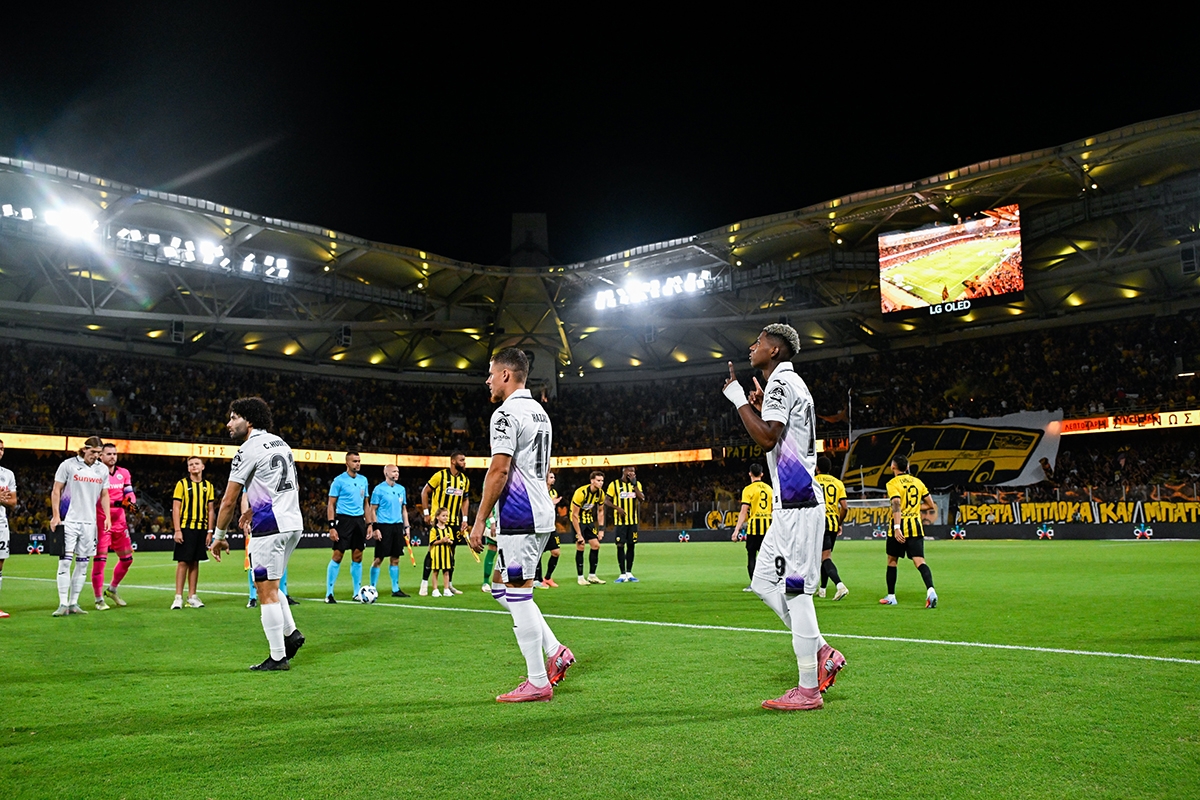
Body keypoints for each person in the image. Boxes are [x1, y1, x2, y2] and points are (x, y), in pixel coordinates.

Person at [722, 324, 845, 711]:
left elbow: (767, 437)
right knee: (762, 582)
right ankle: (821, 649)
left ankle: (808, 689)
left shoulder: (779, 383)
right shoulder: (791, 383)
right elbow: (781, 432)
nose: (752, 347)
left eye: (758, 342)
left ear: (774, 350)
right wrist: (760, 407)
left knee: (795, 592)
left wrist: (738, 399)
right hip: (789, 505)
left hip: (798, 503)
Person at [469, 347, 573, 702]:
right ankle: (555, 649)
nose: (488, 380)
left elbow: (499, 471)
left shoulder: (505, 414)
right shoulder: (540, 413)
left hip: (520, 516)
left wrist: (479, 520)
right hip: (536, 511)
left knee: (517, 593)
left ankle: (538, 681)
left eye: (491, 373)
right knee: (501, 588)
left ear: (506, 375)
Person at [210, 397, 305, 671]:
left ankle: (278, 657)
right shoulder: (280, 443)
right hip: (292, 523)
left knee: (265, 592)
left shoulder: (247, 449)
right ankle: (291, 634)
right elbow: (287, 486)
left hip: (270, 528)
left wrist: (219, 536)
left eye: (234, 418)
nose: (229, 424)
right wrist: (254, 508)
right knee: (272, 586)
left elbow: (228, 500)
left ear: (249, 420)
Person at [50, 436, 111, 616]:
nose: (96, 456)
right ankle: (62, 603)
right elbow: (56, 490)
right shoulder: (68, 465)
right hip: (69, 520)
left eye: (98, 453)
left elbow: (105, 494)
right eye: (93, 452)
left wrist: (107, 517)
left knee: (83, 564)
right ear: (84, 449)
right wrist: (56, 515)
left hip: (89, 522)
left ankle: (73, 603)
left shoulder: (102, 469)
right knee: (65, 562)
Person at [880, 455, 938, 608]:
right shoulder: (918, 482)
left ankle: (891, 596)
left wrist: (897, 527)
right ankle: (931, 590)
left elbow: (896, 504)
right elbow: (930, 505)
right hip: (915, 527)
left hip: (899, 527)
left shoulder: (893, 483)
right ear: (907, 467)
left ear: (893, 467)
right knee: (920, 561)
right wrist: (914, 508)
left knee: (892, 561)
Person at [92, 443, 137, 610]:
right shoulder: (95, 473)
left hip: (120, 522)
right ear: (101, 456)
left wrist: (131, 502)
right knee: (100, 562)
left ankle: (112, 589)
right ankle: (98, 599)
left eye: (115, 454)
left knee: (127, 560)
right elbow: (97, 498)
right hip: (102, 523)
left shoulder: (123, 473)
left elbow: (129, 492)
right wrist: (119, 502)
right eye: (109, 454)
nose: (112, 457)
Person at [419, 452, 470, 596]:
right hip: (438, 521)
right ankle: (424, 583)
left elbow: (465, 500)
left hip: (454, 522)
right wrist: (426, 513)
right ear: (453, 461)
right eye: (461, 460)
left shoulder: (464, 480)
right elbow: (425, 492)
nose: (464, 462)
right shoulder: (440, 476)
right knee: (432, 551)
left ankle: (449, 585)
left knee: (451, 553)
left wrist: (465, 519)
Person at [325, 452, 373, 603]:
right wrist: (332, 526)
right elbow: (331, 504)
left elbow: (366, 504)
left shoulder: (363, 480)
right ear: (347, 463)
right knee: (338, 555)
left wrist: (369, 524)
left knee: (358, 556)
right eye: (354, 461)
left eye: (359, 461)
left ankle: (357, 593)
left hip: (359, 521)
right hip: (343, 520)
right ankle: (329, 593)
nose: (357, 464)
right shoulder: (339, 481)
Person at [171, 456, 216, 609]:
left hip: (201, 528)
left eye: (196, 463)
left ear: (203, 467)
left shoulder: (208, 486)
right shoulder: (182, 484)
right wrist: (177, 530)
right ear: (188, 468)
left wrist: (210, 531)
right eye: (191, 464)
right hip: (185, 527)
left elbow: (210, 510)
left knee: (195, 561)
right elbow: (176, 507)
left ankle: (192, 596)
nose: (194, 466)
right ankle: (178, 597)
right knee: (183, 561)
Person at [242, 494, 296, 608]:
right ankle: (253, 597)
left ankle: (282, 593)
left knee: (266, 561)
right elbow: (245, 498)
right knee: (257, 563)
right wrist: (246, 521)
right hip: (263, 524)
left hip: (273, 523)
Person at [368, 464, 411, 597]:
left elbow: (404, 510)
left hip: (397, 526)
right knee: (379, 558)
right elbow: (372, 510)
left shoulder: (401, 489)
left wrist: (407, 527)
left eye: (397, 471)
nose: (396, 473)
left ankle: (395, 589)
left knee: (395, 559)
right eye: (393, 471)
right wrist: (375, 528)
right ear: (386, 473)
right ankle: (372, 588)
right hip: (383, 526)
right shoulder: (379, 489)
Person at [731, 463, 772, 592]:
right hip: (768, 526)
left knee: (752, 555)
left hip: (754, 527)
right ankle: (770, 583)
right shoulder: (769, 489)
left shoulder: (748, 490)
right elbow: (774, 510)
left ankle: (754, 585)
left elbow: (744, 511)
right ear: (762, 474)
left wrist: (736, 530)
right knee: (768, 557)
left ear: (750, 474)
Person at [815, 456, 849, 601]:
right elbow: (845, 507)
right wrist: (839, 522)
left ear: (817, 468)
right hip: (833, 523)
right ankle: (822, 589)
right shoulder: (838, 483)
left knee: (824, 557)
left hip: (818, 522)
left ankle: (840, 585)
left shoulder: (813, 481)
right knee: (826, 556)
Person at [606, 465, 645, 583]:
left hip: (633, 521)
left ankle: (629, 572)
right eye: (630, 471)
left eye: (634, 472)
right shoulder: (614, 485)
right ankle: (622, 573)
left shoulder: (637, 484)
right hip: (620, 522)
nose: (632, 473)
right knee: (620, 545)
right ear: (624, 472)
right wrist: (617, 508)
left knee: (631, 545)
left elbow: (642, 499)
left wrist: (634, 484)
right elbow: (606, 500)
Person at [571, 471, 606, 585]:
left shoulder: (600, 494)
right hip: (578, 521)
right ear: (592, 481)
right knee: (581, 546)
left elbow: (600, 511)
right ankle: (580, 577)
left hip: (589, 521)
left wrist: (601, 529)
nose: (601, 483)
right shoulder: (581, 493)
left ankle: (592, 576)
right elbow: (574, 515)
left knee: (596, 545)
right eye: (598, 480)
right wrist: (579, 534)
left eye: (602, 481)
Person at [534, 471, 563, 588]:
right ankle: (537, 579)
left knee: (556, 552)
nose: (553, 479)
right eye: (551, 477)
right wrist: (551, 503)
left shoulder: (553, 492)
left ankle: (548, 577)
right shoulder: (538, 491)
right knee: (538, 553)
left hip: (550, 526)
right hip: (539, 526)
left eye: (554, 477)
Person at [0, 439, 16, 618]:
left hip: (1, 523)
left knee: (0, 564)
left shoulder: (8, 474)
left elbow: (13, 501)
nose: (0, 451)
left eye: (2, 449)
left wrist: (2, 499)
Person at [427, 507, 455, 596]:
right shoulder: (434, 530)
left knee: (446, 572)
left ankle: (446, 589)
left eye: (446, 516)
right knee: (435, 571)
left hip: (446, 554)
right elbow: (432, 542)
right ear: (437, 517)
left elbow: (452, 541)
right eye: (443, 516)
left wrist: (449, 541)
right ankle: (435, 590)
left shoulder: (449, 529)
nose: (445, 517)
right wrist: (441, 541)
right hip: (436, 554)